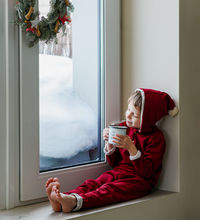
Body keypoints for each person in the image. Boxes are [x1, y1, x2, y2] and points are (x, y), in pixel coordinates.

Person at [45, 88, 178, 213]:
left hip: (140, 181)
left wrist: (131, 149)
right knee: (95, 183)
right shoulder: (124, 127)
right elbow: (115, 163)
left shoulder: (156, 138)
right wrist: (109, 144)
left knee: (109, 190)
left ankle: (75, 202)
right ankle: (62, 198)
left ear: (148, 118)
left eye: (135, 115)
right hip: (120, 171)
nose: (128, 115)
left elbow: (147, 172)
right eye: (128, 109)